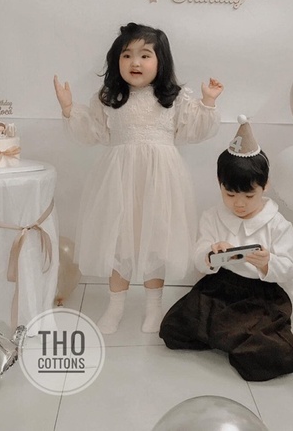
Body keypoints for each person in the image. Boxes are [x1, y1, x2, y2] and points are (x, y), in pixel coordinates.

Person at [54, 22, 223, 334]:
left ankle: (154, 308)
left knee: (155, 240)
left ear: (161, 61)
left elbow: (195, 129)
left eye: (145, 55)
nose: (135, 62)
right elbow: (92, 131)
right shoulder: (110, 98)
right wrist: (68, 109)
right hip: (119, 180)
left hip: (161, 181)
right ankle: (115, 307)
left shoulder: (173, 99)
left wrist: (208, 101)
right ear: (116, 60)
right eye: (127, 55)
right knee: (118, 241)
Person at [159, 116, 293, 381]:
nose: (239, 204)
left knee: (284, 355)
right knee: (171, 329)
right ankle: (235, 340)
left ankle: (234, 340)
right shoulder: (212, 216)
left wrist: (267, 263)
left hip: (259, 295)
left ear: (265, 186)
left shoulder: (278, 224)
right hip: (219, 289)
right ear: (220, 183)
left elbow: (289, 269)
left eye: (249, 196)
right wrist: (211, 254)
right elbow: (198, 257)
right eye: (230, 194)